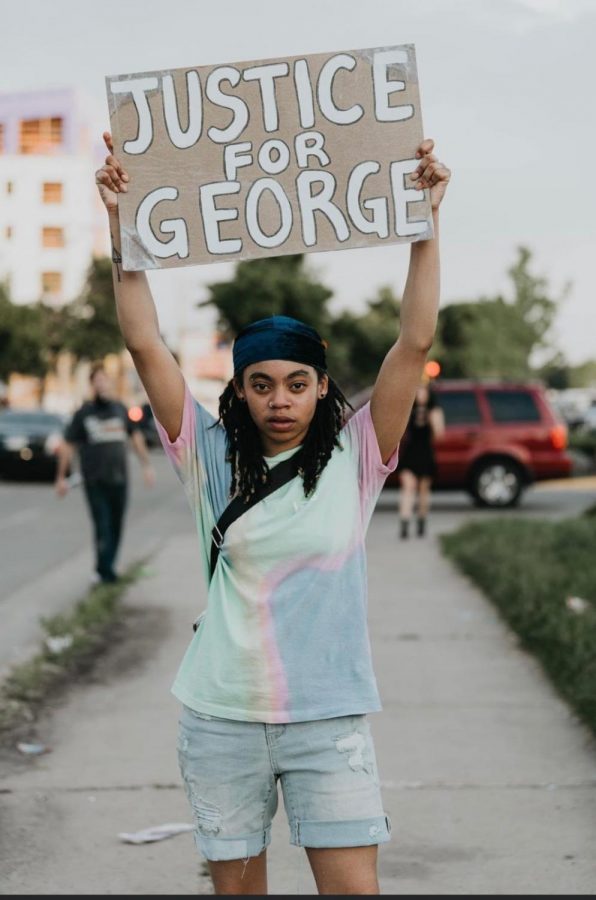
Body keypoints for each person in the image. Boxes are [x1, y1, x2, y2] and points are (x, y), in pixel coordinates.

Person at [94, 131, 450, 895]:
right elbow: (144, 342)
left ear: (322, 387)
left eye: (296, 383)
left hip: (329, 718)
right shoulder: (210, 456)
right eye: (261, 384)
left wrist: (427, 222)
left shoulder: (360, 455)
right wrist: (123, 228)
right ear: (239, 390)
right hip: (222, 715)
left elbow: (413, 339)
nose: (279, 400)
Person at [55, 363, 156, 583]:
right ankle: (104, 572)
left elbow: (136, 437)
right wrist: (61, 477)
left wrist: (146, 465)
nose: (101, 383)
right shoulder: (84, 413)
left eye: (104, 379)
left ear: (109, 382)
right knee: (102, 525)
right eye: (97, 380)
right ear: (92, 384)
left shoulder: (120, 409)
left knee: (117, 525)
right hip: (94, 480)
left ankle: (107, 567)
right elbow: (68, 445)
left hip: (119, 478)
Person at [396, 381, 445, 538]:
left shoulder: (434, 410)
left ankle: (421, 521)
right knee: (408, 487)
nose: (421, 394)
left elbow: (439, 435)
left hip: (425, 452)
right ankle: (404, 522)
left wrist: (432, 420)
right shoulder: (409, 409)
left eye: (423, 391)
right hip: (410, 452)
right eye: (418, 390)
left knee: (423, 490)